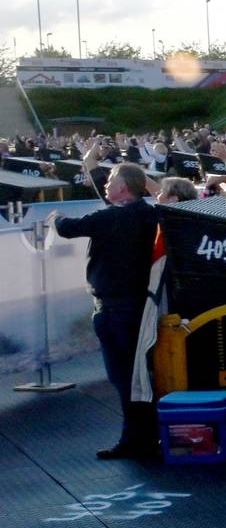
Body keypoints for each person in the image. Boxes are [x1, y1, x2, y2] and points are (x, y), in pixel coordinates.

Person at [54, 145, 161, 460]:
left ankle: (134, 440)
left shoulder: (112, 218)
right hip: (141, 304)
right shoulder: (147, 213)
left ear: (123, 188)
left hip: (114, 308)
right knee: (139, 375)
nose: (105, 185)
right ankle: (147, 433)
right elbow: (121, 207)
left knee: (123, 375)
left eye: (110, 180)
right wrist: (92, 164)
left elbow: (67, 228)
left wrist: (55, 215)